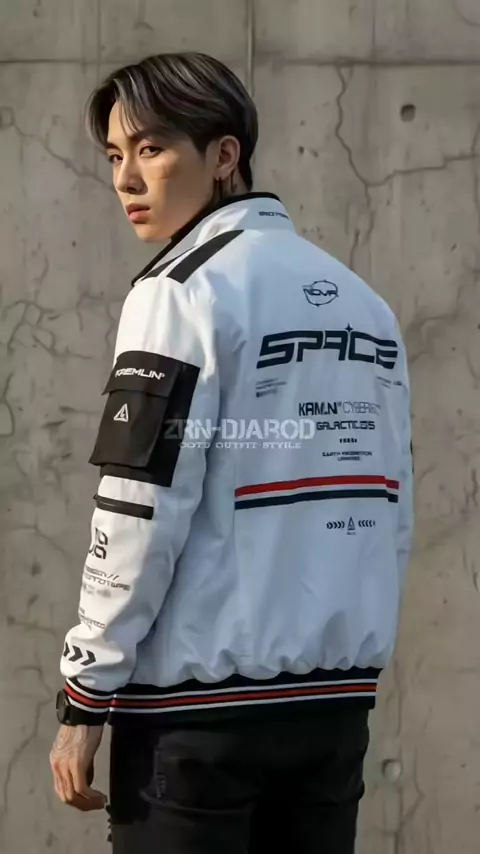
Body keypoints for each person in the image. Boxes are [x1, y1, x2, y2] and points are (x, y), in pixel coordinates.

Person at [49, 52, 414, 854]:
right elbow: (392, 505)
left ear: (224, 155)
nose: (125, 179)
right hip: (333, 717)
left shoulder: (179, 292)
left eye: (151, 149)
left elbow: (138, 506)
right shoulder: (367, 307)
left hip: (195, 727)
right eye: (114, 155)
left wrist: (86, 693)